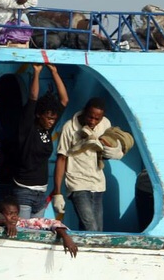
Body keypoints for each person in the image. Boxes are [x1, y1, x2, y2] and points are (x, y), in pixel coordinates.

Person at [1, 64, 68, 218]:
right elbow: (33, 98)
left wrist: (54, 72)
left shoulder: (47, 130)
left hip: (41, 193)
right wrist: (37, 73)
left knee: (36, 233)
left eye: (54, 119)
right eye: (49, 118)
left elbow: (64, 100)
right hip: (24, 191)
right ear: (39, 115)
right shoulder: (27, 128)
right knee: (23, 233)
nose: (52, 122)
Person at [52, 97, 124, 232]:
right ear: (84, 111)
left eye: (97, 119)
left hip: (97, 183)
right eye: (90, 117)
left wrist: (114, 151)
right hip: (77, 183)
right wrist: (57, 193)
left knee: (97, 230)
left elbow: (107, 147)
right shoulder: (69, 127)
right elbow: (61, 159)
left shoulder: (105, 124)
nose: (93, 121)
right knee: (90, 227)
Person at [0, 198, 78, 257]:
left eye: (16, 213)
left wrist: (65, 237)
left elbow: (51, 222)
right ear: (2, 214)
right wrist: (5, 223)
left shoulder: (23, 223)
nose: (14, 217)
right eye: (10, 214)